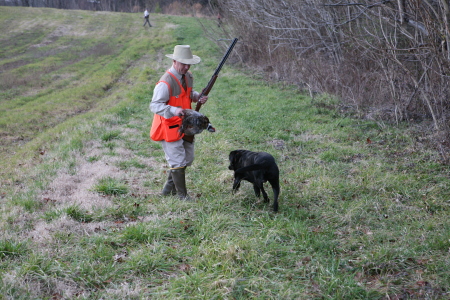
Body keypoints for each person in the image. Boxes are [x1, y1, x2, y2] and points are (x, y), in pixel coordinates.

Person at [149, 45, 208, 200]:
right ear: (174, 61)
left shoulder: (187, 76)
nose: (187, 67)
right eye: (183, 64)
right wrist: (174, 110)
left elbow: (187, 94)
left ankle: (168, 191)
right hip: (169, 127)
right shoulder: (165, 82)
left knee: (187, 159)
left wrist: (197, 97)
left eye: (189, 64)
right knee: (178, 161)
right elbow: (154, 105)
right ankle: (182, 196)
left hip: (186, 126)